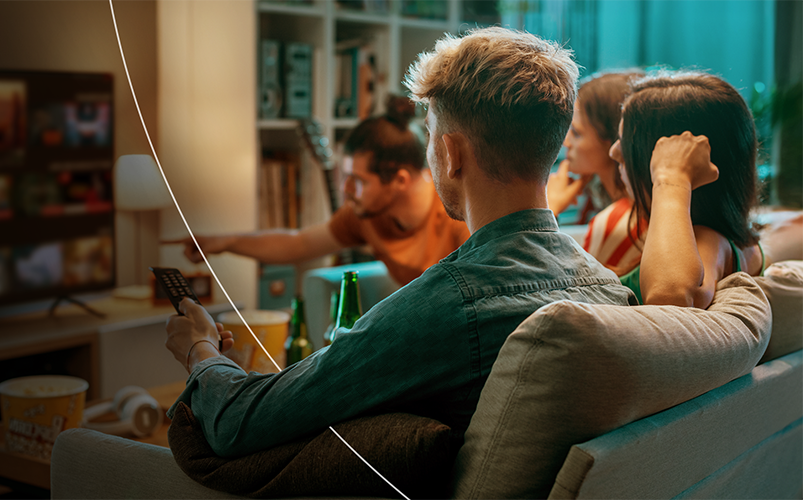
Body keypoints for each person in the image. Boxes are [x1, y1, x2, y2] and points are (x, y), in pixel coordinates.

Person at [161, 27, 635, 458]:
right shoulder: (612, 291)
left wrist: (200, 349)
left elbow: (237, 423)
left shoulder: (450, 302)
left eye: (430, 135)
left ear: (450, 154)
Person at [167, 97, 469, 286]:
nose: (345, 189)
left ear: (400, 180)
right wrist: (226, 242)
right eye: (344, 176)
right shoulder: (365, 214)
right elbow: (298, 244)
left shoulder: (458, 218)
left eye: (357, 180)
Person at [609, 71, 765, 308]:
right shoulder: (743, 245)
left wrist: (672, 178)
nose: (614, 152)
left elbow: (670, 297)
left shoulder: (709, 239)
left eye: (626, 144)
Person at [545, 71, 645, 276]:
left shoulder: (618, 222)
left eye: (577, 133)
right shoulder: (637, 208)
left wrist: (549, 210)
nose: (566, 143)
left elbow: (568, 289)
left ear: (613, 142)